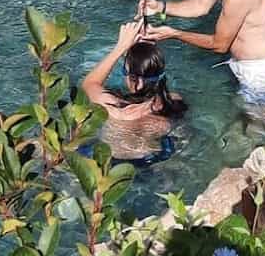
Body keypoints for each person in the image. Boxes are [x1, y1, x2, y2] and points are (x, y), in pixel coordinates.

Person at [80, 20, 187, 162]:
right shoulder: (173, 103)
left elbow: (89, 83)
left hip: (110, 163)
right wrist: (148, 53)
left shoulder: (114, 109)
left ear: (135, 81)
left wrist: (120, 47)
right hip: (149, 161)